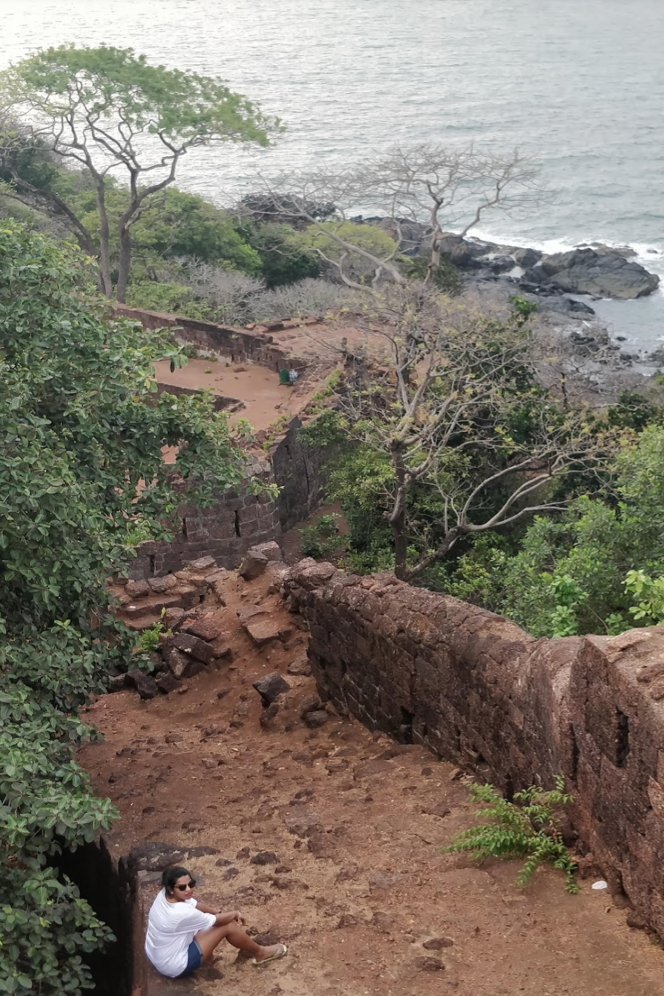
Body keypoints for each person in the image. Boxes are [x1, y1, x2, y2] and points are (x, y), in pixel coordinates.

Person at [145, 866, 288, 979]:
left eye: (191, 884)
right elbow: (218, 922)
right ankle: (260, 952)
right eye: (182, 887)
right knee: (227, 925)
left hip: (157, 954)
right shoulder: (181, 913)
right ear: (171, 889)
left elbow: (194, 904)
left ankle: (207, 957)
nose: (188, 889)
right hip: (174, 965)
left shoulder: (164, 895)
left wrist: (217, 912)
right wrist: (235, 914)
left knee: (203, 923)